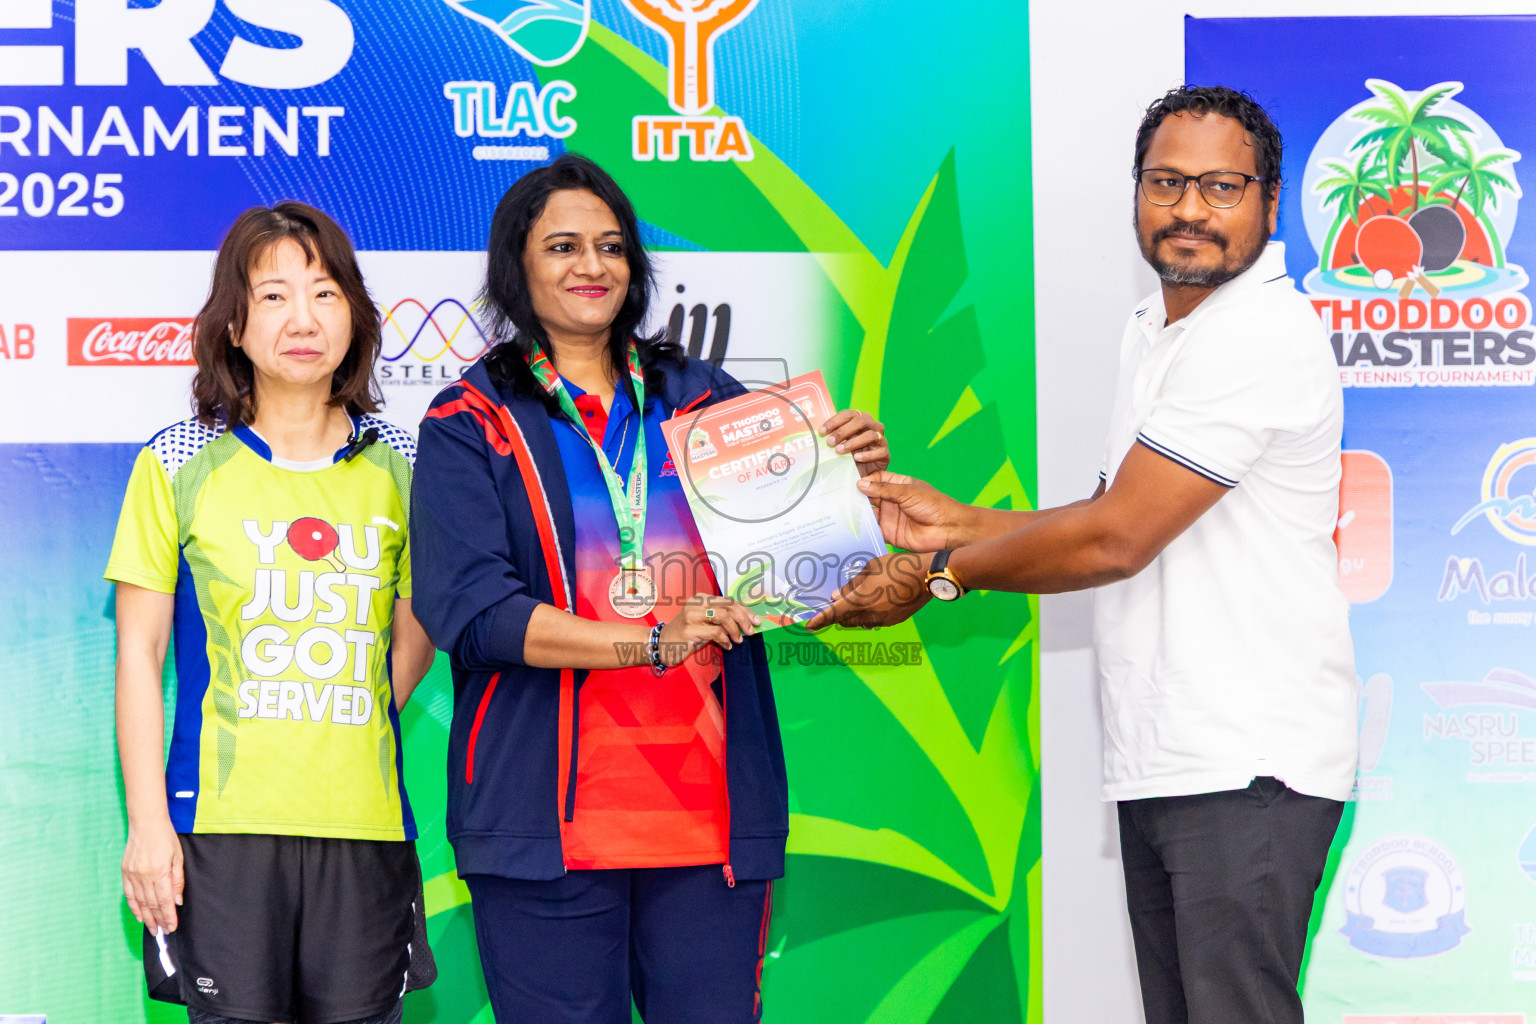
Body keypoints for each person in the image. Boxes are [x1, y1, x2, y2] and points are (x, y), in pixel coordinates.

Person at [810, 86, 1357, 1024]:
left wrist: (937, 576)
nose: (1189, 208)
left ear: (1271, 204)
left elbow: (1116, 540)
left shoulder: (1257, 334)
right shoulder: (1157, 331)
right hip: (1175, 754)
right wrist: (955, 523)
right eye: (1166, 182)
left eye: (1221, 186)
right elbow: (1114, 512)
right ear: (1137, 193)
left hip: (1247, 761)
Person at [409, 153, 888, 1024]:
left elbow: (798, 569)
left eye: (611, 245)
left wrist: (843, 485)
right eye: (562, 246)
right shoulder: (470, 419)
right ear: (516, 265)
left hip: (708, 824)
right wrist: (654, 640)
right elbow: (474, 615)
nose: (591, 265)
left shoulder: (702, 399)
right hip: (542, 830)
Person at [108, 201, 437, 1024]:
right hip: (217, 834)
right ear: (234, 324)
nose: (303, 319)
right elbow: (140, 655)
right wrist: (149, 826)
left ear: (355, 318)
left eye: (325, 294)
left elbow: (417, 635)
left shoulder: (404, 465)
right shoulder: (176, 460)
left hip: (365, 830)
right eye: (275, 296)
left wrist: (338, 715)